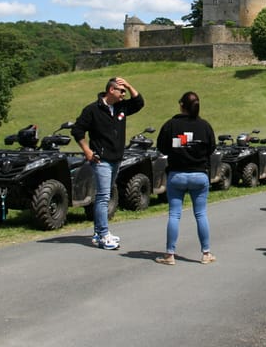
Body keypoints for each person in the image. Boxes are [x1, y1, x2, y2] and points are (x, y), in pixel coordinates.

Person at [71, 76, 144, 250]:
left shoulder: (121, 107)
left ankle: (98, 233)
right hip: (101, 160)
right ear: (111, 90)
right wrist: (87, 151)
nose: (124, 94)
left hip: (116, 158)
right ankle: (104, 234)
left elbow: (139, 102)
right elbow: (77, 130)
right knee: (103, 197)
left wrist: (127, 84)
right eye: (121, 91)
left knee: (105, 195)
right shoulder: (92, 110)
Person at [154, 91, 217, 265]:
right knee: (201, 214)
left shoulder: (170, 125)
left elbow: (162, 147)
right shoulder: (204, 126)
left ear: (181, 105)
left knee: (174, 214)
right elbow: (211, 148)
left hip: (177, 174)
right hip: (199, 174)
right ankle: (206, 253)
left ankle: (170, 254)